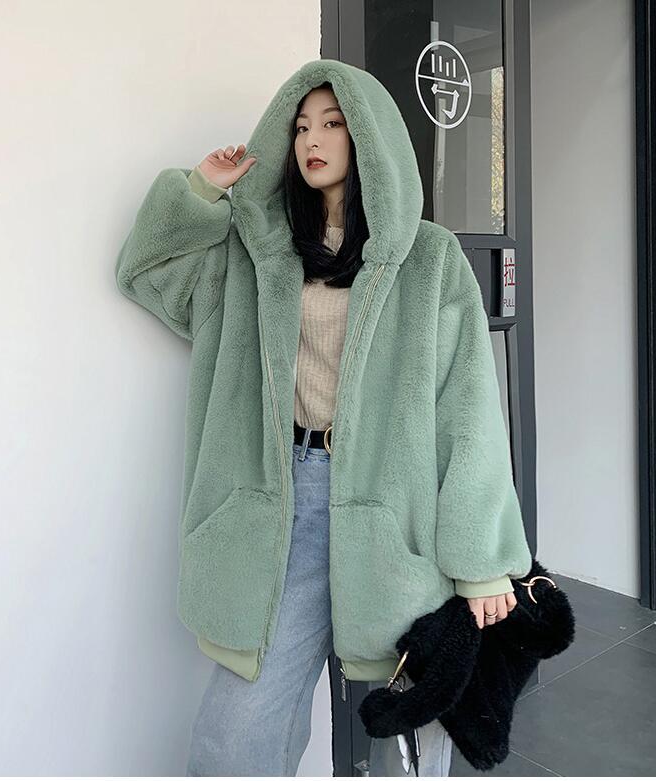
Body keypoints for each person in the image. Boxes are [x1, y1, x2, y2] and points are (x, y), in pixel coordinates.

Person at [115, 59, 532, 777]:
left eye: (333, 123)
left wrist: (483, 563)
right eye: (301, 126)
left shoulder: (428, 259)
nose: (312, 139)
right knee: (236, 731)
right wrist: (200, 193)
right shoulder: (254, 255)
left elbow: (467, 414)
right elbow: (148, 274)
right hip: (286, 500)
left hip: (398, 508)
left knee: (416, 717)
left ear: (368, 136)